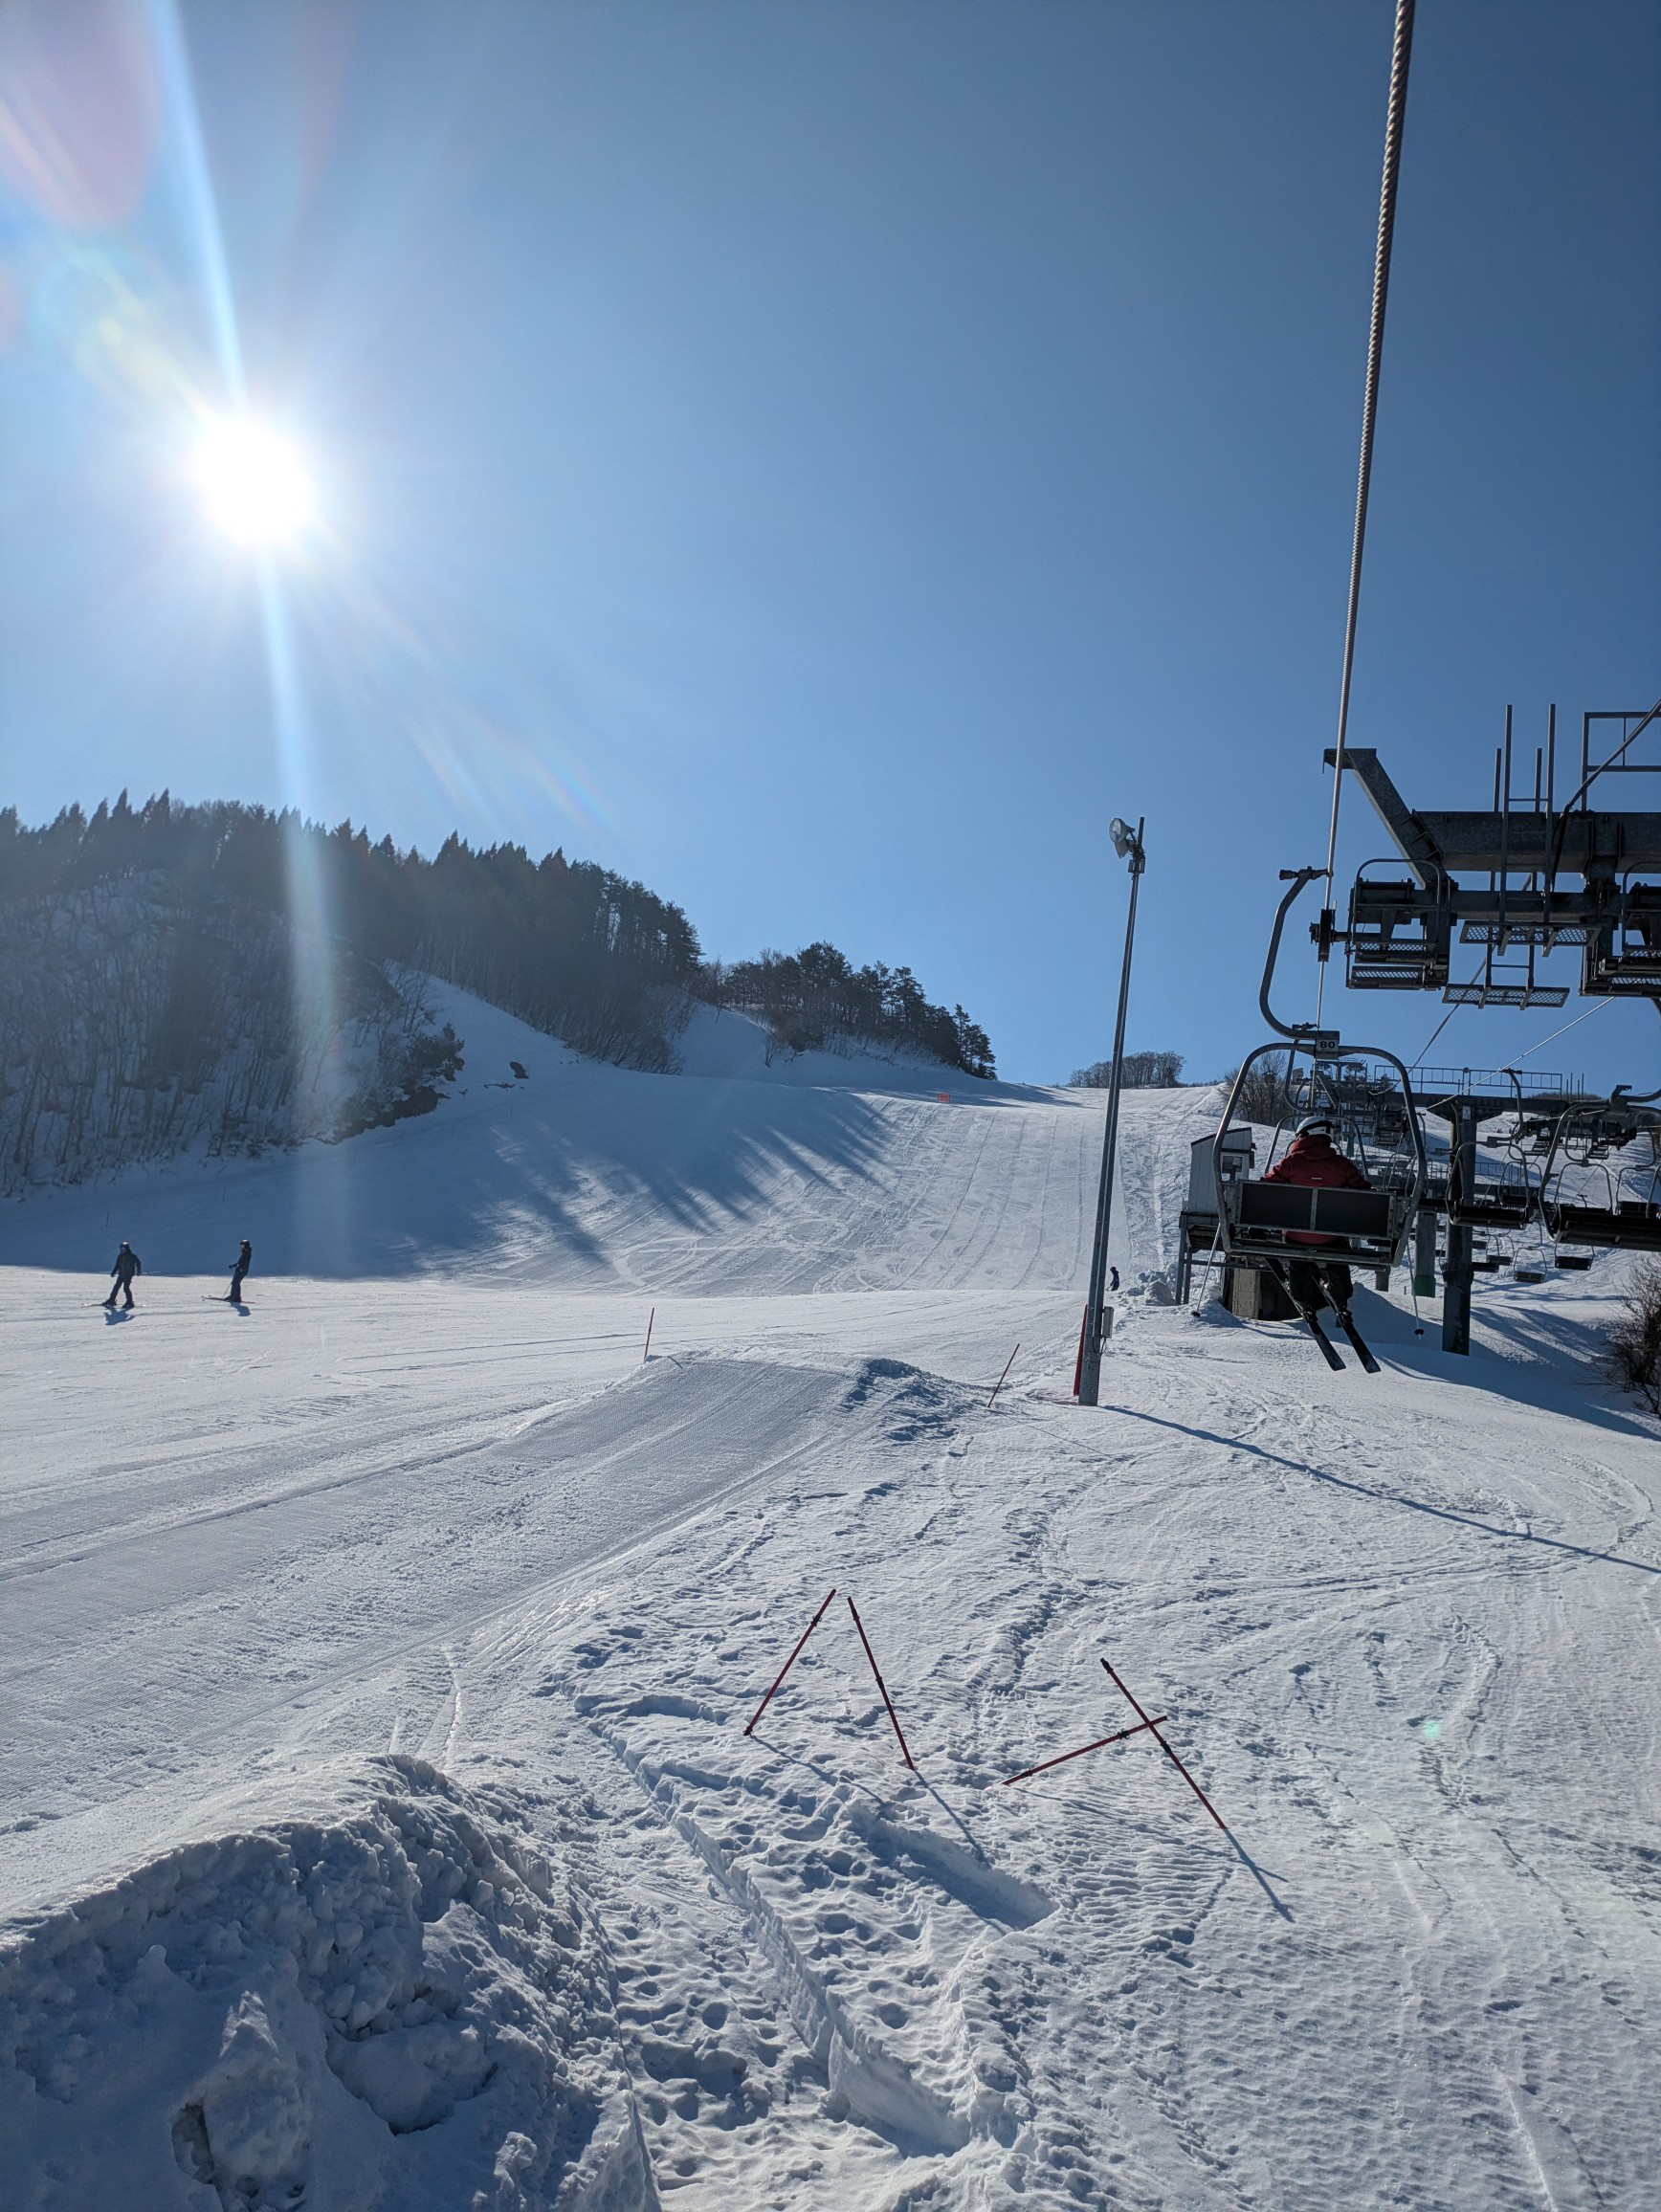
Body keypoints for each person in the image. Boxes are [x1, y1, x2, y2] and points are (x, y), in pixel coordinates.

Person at [1262, 1115, 1369, 1318]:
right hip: (1331, 1238)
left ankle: (1302, 1296)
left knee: (1298, 1256)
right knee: (1337, 1249)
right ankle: (1339, 1290)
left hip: (1296, 1235)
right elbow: (1364, 1191)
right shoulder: (1341, 1165)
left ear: (1303, 1136)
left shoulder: (1291, 1163)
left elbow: (1266, 1185)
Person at [104, 1241, 142, 1310]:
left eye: (123, 1249)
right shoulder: (120, 1256)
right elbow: (117, 1265)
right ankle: (111, 1300)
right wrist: (114, 1271)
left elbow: (138, 1263)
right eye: (121, 1249)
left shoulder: (132, 1256)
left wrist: (139, 1270)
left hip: (128, 1275)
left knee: (126, 1288)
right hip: (121, 1274)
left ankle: (130, 1302)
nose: (122, 1250)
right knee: (116, 1287)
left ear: (127, 1249)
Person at [228, 1239, 253, 1304]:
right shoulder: (245, 1253)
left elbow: (246, 1263)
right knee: (235, 1283)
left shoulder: (247, 1253)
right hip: (240, 1270)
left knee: (235, 1283)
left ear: (246, 1246)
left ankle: (234, 1297)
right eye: (241, 1246)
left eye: (242, 1246)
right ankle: (235, 1296)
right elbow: (240, 1263)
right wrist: (234, 1265)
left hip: (242, 1271)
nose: (241, 1247)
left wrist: (242, 1269)